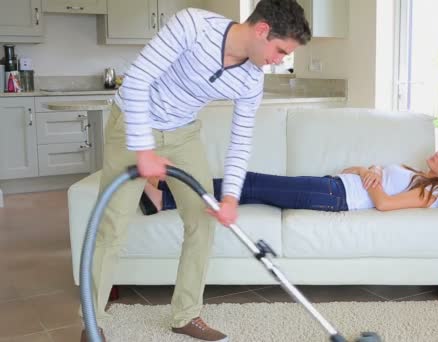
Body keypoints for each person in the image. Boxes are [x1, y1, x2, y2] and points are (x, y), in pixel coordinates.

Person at [82, 1, 311, 341]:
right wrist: (144, 150)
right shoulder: (193, 26)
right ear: (262, 31)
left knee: (203, 219)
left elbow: (240, 141)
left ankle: (185, 314)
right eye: (280, 51)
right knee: (111, 227)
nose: (280, 60)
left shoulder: (251, 80)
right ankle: (91, 321)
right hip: (134, 120)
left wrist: (230, 197)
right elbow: (137, 81)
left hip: (182, 133)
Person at [140, 144, 438, 214]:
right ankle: (167, 194)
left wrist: (371, 180)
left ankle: (165, 196)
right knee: (252, 186)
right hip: (333, 185)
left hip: (335, 197)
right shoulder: (417, 173)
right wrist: (368, 172)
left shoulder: (430, 193)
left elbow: (386, 204)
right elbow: (356, 171)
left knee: (251, 183)